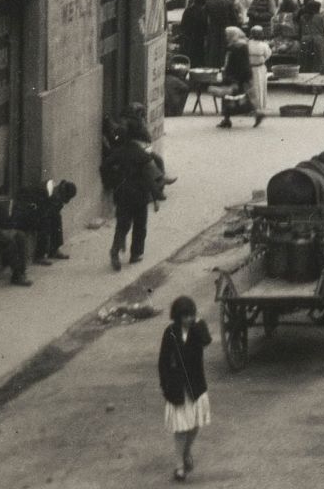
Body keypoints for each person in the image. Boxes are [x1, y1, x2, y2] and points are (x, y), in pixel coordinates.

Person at [158, 295, 213, 481]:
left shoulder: (197, 329)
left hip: (196, 385)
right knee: (180, 428)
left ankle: (186, 451)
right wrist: (165, 385)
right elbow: (163, 361)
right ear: (178, 316)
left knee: (195, 425)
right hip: (177, 387)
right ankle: (179, 466)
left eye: (191, 315)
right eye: (185, 316)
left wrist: (198, 324)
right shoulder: (171, 332)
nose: (189, 319)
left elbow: (207, 340)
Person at [103, 129, 160, 269]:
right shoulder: (143, 155)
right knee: (140, 226)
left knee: (122, 225)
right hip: (140, 195)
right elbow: (150, 177)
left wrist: (111, 183)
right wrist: (155, 198)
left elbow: (104, 166)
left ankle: (115, 250)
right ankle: (136, 254)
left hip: (122, 194)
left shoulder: (118, 153)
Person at [10, 179, 77, 264]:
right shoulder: (42, 191)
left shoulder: (53, 193)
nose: (60, 199)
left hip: (34, 212)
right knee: (45, 221)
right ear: (58, 191)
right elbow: (40, 211)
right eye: (60, 197)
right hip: (22, 214)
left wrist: (56, 206)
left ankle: (54, 250)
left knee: (56, 217)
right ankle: (40, 255)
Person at [218, 27, 263, 128]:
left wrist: (232, 77)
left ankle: (256, 113)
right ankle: (256, 113)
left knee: (232, 97)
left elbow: (236, 63)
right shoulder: (241, 45)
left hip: (237, 75)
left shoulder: (236, 46)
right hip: (243, 74)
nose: (226, 37)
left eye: (228, 34)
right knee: (243, 96)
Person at [0, 196, 34, 286]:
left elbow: (7, 224)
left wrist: (10, 230)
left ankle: (22, 272)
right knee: (10, 242)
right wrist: (3, 232)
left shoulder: (9, 204)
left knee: (20, 236)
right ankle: (17, 274)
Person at [203, 0, 241, 71]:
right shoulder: (228, 1)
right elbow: (234, 19)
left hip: (212, 30)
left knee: (213, 52)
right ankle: (222, 70)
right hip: (225, 31)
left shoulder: (209, 1)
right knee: (223, 53)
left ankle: (213, 70)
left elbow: (204, 18)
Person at [298, 0, 324, 73]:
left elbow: (300, 31)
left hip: (305, 40)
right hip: (318, 40)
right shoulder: (321, 17)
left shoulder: (302, 18)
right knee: (319, 62)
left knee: (305, 62)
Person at [246, 26, 271, 117]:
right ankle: (259, 107)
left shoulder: (247, 44)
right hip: (259, 68)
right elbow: (267, 55)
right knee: (260, 87)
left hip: (250, 68)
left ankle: (251, 108)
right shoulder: (264, 45)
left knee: (251, 87)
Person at [178, 0, 208, 68]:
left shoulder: (188, 10)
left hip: (188, 39)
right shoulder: (203, 12)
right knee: (198, 60)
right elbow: (205, 26)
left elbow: (182, 25)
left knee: (189, 59)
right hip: (199, 39)